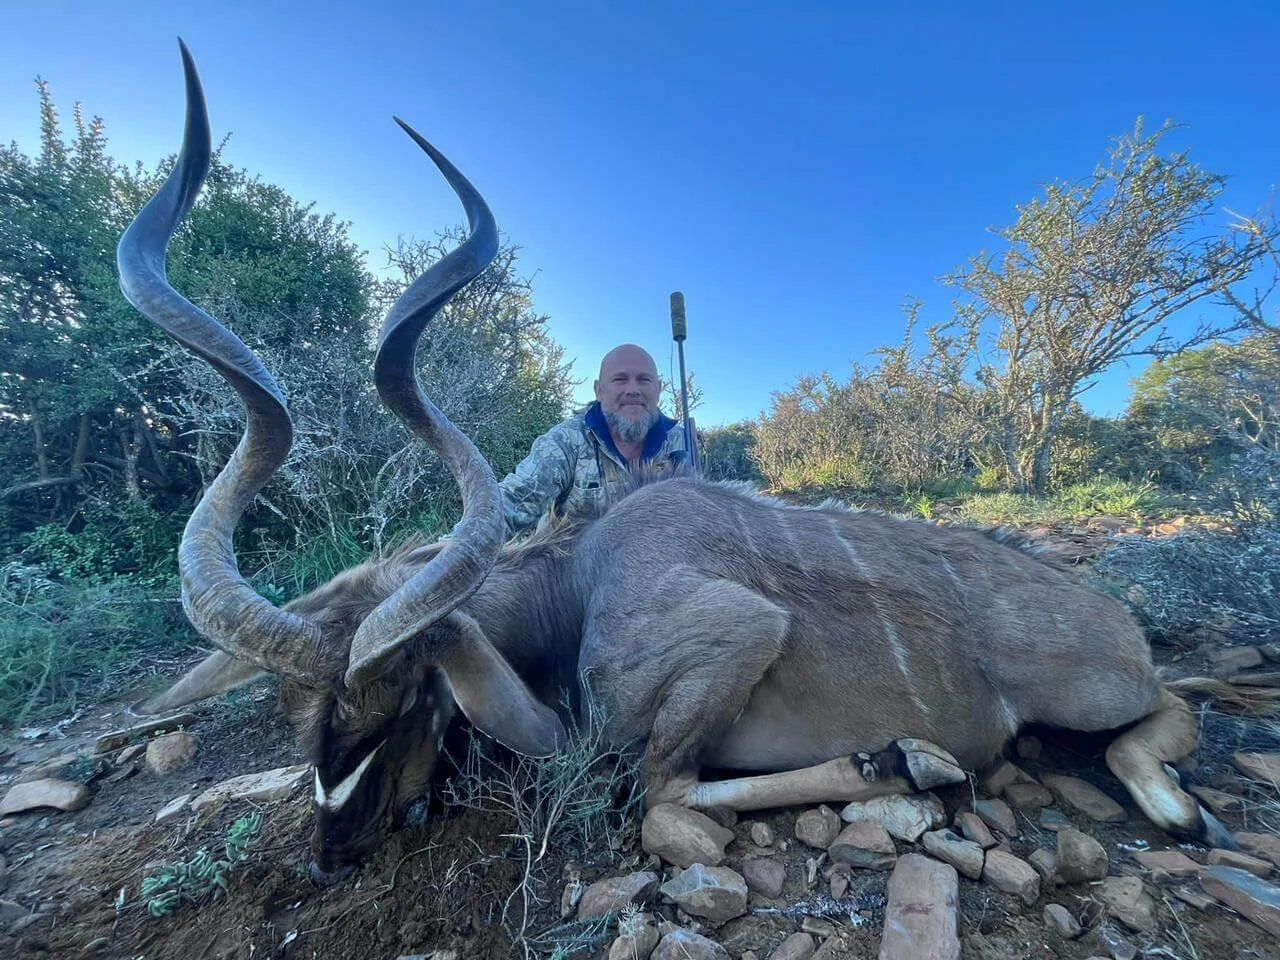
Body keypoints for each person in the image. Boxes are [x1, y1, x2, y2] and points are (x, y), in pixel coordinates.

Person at [496, 343, 693, 537]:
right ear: (599, 390)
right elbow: (511, 504)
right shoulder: (565, 442)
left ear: (658, 389)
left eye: (644, 380)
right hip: (575, 567)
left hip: (661, 565)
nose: (633, 389)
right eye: (620, 379)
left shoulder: (682, 442)